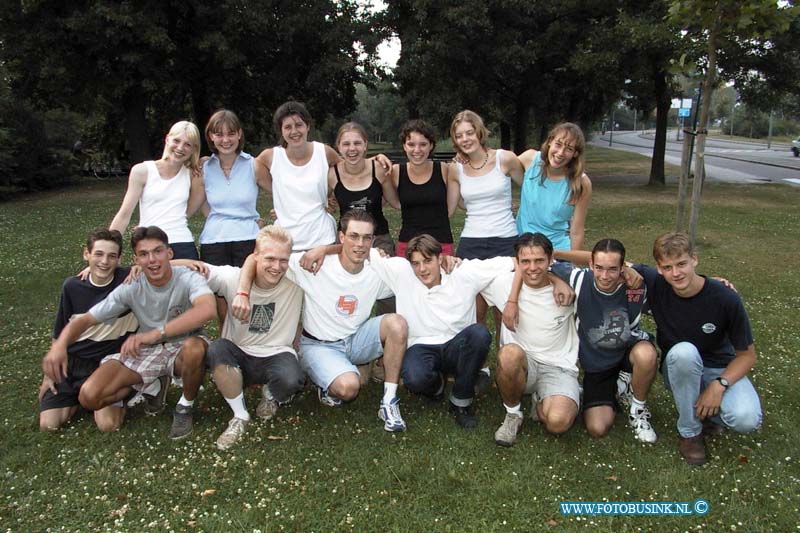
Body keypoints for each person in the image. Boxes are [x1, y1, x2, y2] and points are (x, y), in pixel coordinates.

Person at [233, 210, 409, 432]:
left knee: (397, 324)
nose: (360, 243)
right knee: (348, 388)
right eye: (353, 236)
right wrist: (242, 293)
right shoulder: (313, 263)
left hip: (355, 338)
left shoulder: (378, 268)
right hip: (319, 345)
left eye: (366, 238)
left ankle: (389, 401)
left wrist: (448, 262)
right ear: (341, 237)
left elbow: (418, 273)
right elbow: (254, 258)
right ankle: (327, 381)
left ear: (373, 241)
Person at [42, 226, 216, 439]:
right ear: (136, 261)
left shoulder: (188, 277)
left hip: (182, 345)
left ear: (169, 254)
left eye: (158, 251)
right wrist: (59, 346)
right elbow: (86, 319)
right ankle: (152, 386)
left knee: (195, 348)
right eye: (144, 254)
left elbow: (207, 309)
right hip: (147, 350)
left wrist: (156, 333)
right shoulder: (130, 285)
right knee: (89, 397)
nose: (152, 259)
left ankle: (185, 406)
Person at [633, 232, 761, 465]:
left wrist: (719, 385)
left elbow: (747, 356)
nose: (676, 273)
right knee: (684, 352)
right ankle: (690, 433)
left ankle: (709, 413)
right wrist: (554, 257)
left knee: (746, 418)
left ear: (695, 259)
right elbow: (607, 261)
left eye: (682, 264)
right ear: (659, 269)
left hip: (720, 369)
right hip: (680, 367)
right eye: (668, 267)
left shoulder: (724, 297)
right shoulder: (655, 283)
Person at [366, 234, 516, 429]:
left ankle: (460, 402)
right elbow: (356, 249)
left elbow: (513, 262)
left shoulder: (463, 272)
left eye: (428, 261)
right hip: (420, 346)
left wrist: (552, 282)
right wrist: (373, 251)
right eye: (416, 263)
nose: (422, 269)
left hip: (457, 345)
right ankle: (437, 386)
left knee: (479, 334)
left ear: (440, 257)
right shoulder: (402, 273)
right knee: (414, 377)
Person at [180, 225, 305, 450]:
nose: (277, 267)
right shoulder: (231, 277)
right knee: (217, 348)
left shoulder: (297, 277)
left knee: (292, 379)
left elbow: (335, 254)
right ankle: (239, 415)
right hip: (238, 354)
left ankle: (271, 394)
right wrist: (144, 267)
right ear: (254, 256)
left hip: (277, 352)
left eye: (283, 260)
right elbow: (183, 268)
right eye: (270, 258)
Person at [544, 239, 659, 443]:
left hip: (628, 351)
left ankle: (638, 409)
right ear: (590, 264)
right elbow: (541, 265)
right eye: (599, 268)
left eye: (613, 269)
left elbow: (676, 277)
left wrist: (714, 280)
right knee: (597, 427)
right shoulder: (578, 278)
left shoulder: (638, 282)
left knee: (646, 354)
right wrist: (557, 280)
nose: (605, 276)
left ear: (624, 267)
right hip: (598, 365)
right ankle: (618, 388)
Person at [449, 110, 525, 388]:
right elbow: (455, 204)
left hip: (506, 241)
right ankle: (478, 368)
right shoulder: (455, 169)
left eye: (469, 132)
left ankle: (506, 366)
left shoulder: (504, 158)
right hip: (471, 243)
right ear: (454, 141)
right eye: (459, 136)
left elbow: (529, 187)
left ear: (479, 132)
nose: (465, 138)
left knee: (503, 311)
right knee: (475, 312)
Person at [483, 233, 580, 446]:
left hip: (558, 367)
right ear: (517, 262)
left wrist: (627, 270)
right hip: (523, 365)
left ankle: (543, 400)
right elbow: (471, 286)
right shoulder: (502, 284)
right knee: (509, 353)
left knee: (558, 423)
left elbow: (602, 266)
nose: (532, 267)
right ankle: (513, 414)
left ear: (551, 260)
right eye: (525, 261)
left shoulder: (569, 287)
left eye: (539, 261)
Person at [255, 101, 390, 252]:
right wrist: (282, 197)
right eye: (287, 127)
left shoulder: (323, 152)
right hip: (285, 241)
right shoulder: (270, 157)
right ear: (281, 130)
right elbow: (255, 175)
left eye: (299, 125)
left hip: (322, 238)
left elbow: (349, 167)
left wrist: (374, 160)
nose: (294, 131)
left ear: (308, 126)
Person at [38, 228, 138, 431]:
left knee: (108, 425)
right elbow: (59, 334)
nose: (104, 262)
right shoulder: (72, 287)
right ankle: (78, 395)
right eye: (98, 254)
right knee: (49, 425)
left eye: (112, 256)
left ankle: (128, 390)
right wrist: (49, 375)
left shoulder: (129, 280)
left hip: (107, 363)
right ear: (86, 254)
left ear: (119, 259)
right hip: (73, 364)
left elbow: (161, 265)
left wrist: (138, 267)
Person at [109, 121, 205, 259]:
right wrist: (107, 250)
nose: (180, 148)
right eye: (176, 141)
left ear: (194, 149)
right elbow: (124, 215)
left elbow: (187, 211)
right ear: (167, 139)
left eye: (188, 144)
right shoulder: (142, 171)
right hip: (149, 245)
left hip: (182, 243)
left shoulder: (193, 175)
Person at [197, 109, 270, 267]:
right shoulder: (204, 168)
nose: (225, 140)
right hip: (213, 241)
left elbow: (281, 193)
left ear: (239, 134)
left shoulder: (254, 165)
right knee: (215, 291)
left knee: (245, 290)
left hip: (248, 239)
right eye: (219, 134)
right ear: (211, 136)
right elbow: (196, 203)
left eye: (230, 134)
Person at [516, 122, 592, 252]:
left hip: (556, 250)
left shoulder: (581, 183)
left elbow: (577, 231)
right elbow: (499, 170)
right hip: (522, 247)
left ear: (575, 153)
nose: (560, 153)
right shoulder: (530, 159)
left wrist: (574, 265)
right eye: (558, 144)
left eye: (569, 149)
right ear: (550, 141)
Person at [391, 119, 458, 258]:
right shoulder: (395, 172)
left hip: (441, 245)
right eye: (411, 144)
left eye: (423, 144)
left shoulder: (445, 170)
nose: (417, 150)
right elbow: (389, 201)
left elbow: (450, 211)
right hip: (407, 246)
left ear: (431, 146)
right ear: (404, 146)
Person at [331, 121, 400, 256]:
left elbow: (396, 202)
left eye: (357, 143)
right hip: (347, 241)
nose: (352, 148)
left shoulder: (379, 169)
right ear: (338, 147)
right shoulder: (332, 175)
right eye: (346, 144)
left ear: (365, 145)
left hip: (379, 239)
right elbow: (314, 198)